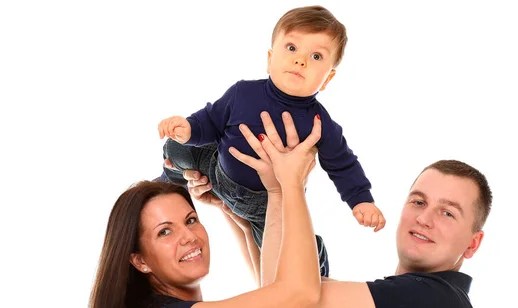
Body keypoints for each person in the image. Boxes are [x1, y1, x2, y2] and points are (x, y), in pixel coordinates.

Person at [185, 119, 493, 308]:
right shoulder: (413, 302)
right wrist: (237, 210)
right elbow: (279, 298)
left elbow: (287, 304)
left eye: (448, 212)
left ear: (472, 244)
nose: (425, 218)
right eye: (418, 201)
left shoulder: (434, 303)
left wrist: (286, 187)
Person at [87, 115, 323, 308]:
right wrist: (289, 185)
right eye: (164, 232)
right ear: (140, 261)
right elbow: (297, 297)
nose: (188, 236)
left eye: (190, 220)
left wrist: (236, 212)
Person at [157, 5, 386, 278]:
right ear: (269, 58)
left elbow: (343, 164)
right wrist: (188, 128)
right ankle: (164, 184)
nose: (300, 60)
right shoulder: (242, 92)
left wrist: (361, 200)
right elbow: (211, 120)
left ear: (328, 78)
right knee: (175, 148)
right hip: (217, 171)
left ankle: (317, 260)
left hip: (264, 206)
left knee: (283, 260)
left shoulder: (319, 124)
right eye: (291, 48)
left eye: (315, 56)